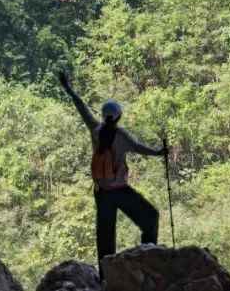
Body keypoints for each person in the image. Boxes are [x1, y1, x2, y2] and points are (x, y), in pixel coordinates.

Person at [57, 71, 167, 270]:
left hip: (102, 193)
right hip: (120, 190)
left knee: (105, 238)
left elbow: (81, 107)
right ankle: (148, 259)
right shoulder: (121, 136)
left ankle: (105, 277)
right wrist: (160, 153)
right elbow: (140, 148)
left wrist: (68, 89)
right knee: (150, 217)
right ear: (119, 117)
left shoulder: (95, 130)